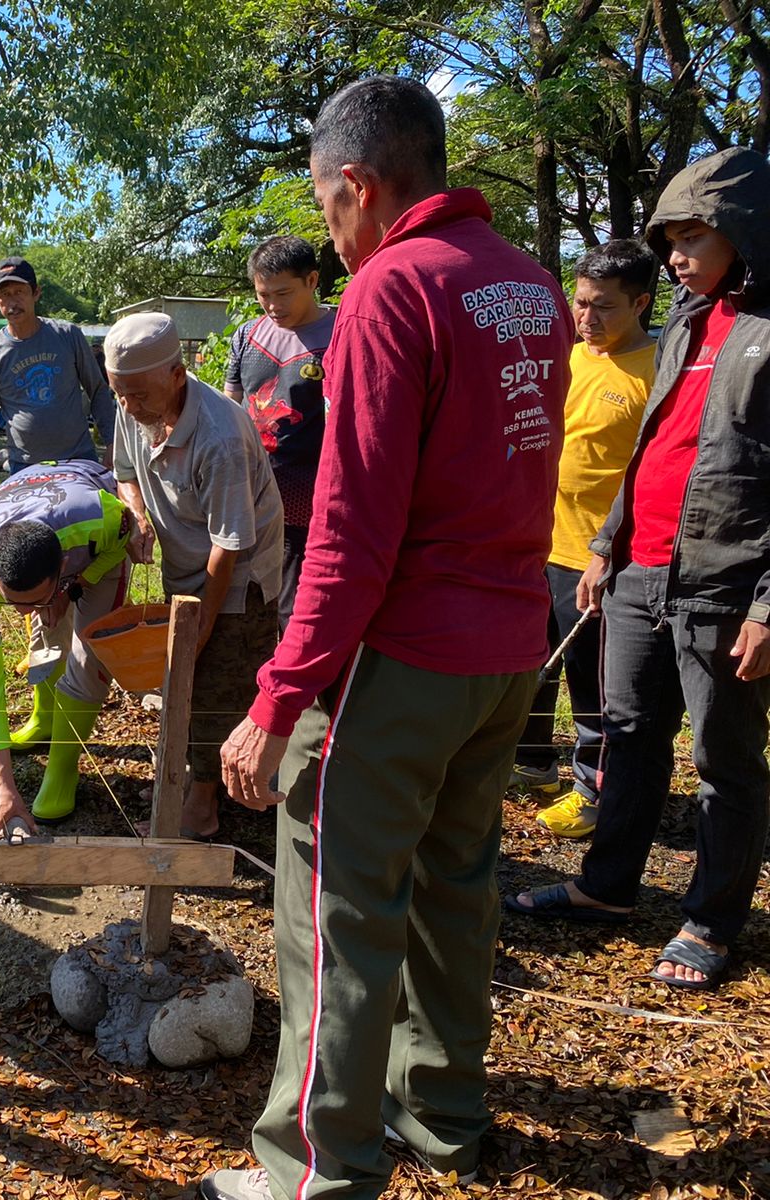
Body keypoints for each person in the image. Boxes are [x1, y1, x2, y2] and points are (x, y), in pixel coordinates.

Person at [209, 77, 571, 1200]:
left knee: (334, 917)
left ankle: (314, 1168)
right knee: (456, 891)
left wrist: (277, 699)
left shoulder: (389, 293)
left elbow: (350, 535)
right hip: (508, 651)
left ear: (358, 186)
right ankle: (444, 1117)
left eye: (325, 210)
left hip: (404, 659)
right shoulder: (529, 285)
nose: (328, 232)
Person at [506, 146, 770, 992]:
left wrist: (768, 607)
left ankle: (711, 918)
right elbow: (650, 448)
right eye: (672, 237)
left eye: (698, 235)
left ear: (747, 230)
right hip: (636, 573)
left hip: (725, 581)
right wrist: (605, 546)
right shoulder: (689, 324)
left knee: (724, 761)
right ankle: (607, 889)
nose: (679, 254)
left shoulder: (767, 333)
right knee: (627, 735)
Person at [108, 312, 284, 840]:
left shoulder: (220, 436)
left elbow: (229, 547)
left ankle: (202, 809)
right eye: (120, 394)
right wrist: (139, 515)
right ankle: (187, 780)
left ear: (177, 374)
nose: (128, 407)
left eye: (138, 395)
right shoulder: (133, 405)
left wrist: (199, 629)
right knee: (179, 678)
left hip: (238, 578)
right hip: (183, 565)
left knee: (213, 680)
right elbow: (123, 473)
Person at [511, 240, 657, 835]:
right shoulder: (570, 357)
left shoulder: (657, 371)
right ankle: (532, 761)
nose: (587, 319)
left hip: (600, 557)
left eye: (604, 307)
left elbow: (652, 475)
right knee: (530, 666)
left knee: (590, 679)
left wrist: (608, 552)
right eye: (579, 303)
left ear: (642, 303)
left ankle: (592, 790)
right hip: (538, 543)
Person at [0, 460, 139, 834]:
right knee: (44, 631)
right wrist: (2, 786)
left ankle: (62, 767)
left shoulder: (101, 519)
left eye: (34, 598)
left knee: (89, 651)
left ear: (62, 567)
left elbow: (121, 540)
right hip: (28, 498)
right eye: (13, 602)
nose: (24, 611)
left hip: (91, 527)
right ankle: (43, 720)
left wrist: (75, 587)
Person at [223, 235, 337, 628]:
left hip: (313, 495)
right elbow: (229, 409)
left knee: (296, 608)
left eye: (283, 293)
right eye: (263, 295)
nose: (273, 306)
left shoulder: (342, 333)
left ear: (312, 281)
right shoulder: (247, 336)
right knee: (249, 598)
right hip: (252, 491)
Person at [0, 256, 116, 515]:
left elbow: (98, 390)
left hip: (78, 459)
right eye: (4, 294)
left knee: (91, 533)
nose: (13, 302)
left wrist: (114, 442)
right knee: (35, 542)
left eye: (19, 292)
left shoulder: (67, 336)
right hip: (25, 466)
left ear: (35, 293)